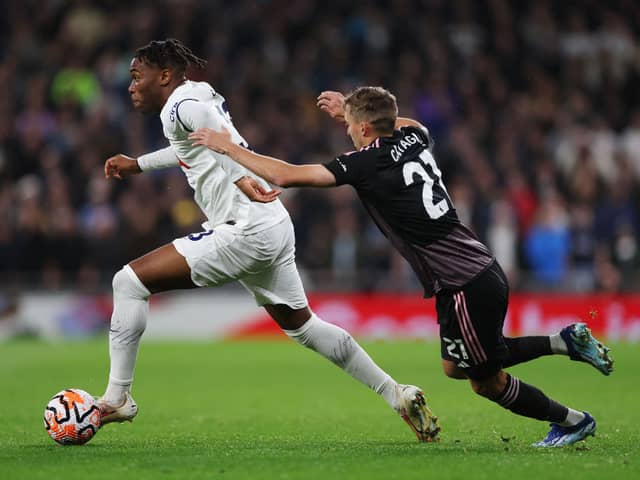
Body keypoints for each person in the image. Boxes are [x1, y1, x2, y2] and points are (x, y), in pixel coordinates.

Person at [189, 86, 614, 448]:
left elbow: (287, 175)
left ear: (366, 128)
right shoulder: (414, 137)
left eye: (349, 126)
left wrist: (228, 147)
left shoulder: (366, 162)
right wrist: (354, 108)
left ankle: (573, 419)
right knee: (456, 366)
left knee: (485, 379)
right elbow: (399, 121)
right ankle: (564, 343)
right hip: (471, 268)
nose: (348, 133)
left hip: (462, 281)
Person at [97, 40, 440, 443]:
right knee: (305, 327)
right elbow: (191, 144)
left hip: (244, 227)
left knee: (129, 282)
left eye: (138, 77)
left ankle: (118, 396)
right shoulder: (196, 93)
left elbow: (215, 131)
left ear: (165, 76)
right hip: (273, 225)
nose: (132, 86)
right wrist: (138, 164)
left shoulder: (181, 105)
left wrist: (241, 175)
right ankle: (396, 393)